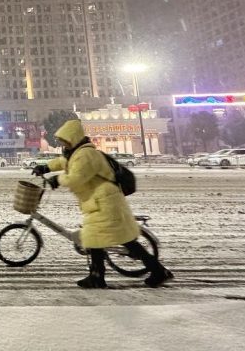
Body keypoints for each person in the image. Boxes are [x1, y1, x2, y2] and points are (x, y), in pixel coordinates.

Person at [32, 119, 173, 289]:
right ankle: (101, 275)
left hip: (105, 202)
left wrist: (57, 179)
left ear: (73, 138)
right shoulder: (77, 153)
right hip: (99, 201)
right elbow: (63, 162)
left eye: (65, 140)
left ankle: (104, 276)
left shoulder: (86, 155)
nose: (63, 144)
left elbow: (77, 178)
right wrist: (45, 167)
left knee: (105, 239)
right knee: (103, 239)